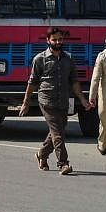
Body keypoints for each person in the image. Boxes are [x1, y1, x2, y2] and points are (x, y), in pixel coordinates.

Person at [20, 27, 92, 175]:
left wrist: (83, 100)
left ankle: (42, 154)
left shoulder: (68, 58)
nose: (58, 42)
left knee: (57, 130)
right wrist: (25, 103)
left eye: (60, 39)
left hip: (63, 100)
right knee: (58, 133)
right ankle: (63, 163)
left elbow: (74, 81)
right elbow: (32, 82)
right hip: (47, 100)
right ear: (48, 41)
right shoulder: (40, 59)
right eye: (54, 39)